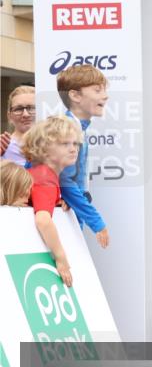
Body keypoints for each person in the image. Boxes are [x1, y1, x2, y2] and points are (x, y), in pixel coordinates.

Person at [22, 116, 83, 286]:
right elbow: (42, 220)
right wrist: (61, 257)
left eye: (75, 143)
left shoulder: (42, 174)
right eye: (65, 144)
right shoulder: (45, 177)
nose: (73, 149)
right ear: (44, 149)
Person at [56, 65, 110, 248]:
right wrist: (97, 223)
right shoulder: (68, 129)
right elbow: (66, 181)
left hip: (74, 206)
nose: (105, 95)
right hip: (69, 210)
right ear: (75, 95)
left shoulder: (77, 127)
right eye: (97, 90)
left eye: (104, 90)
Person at [1, 85, 36, 166]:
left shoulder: (54, 145)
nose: (25, 114)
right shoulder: (3, 147)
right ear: (9, 116)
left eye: (31, 108)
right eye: (18, 109)